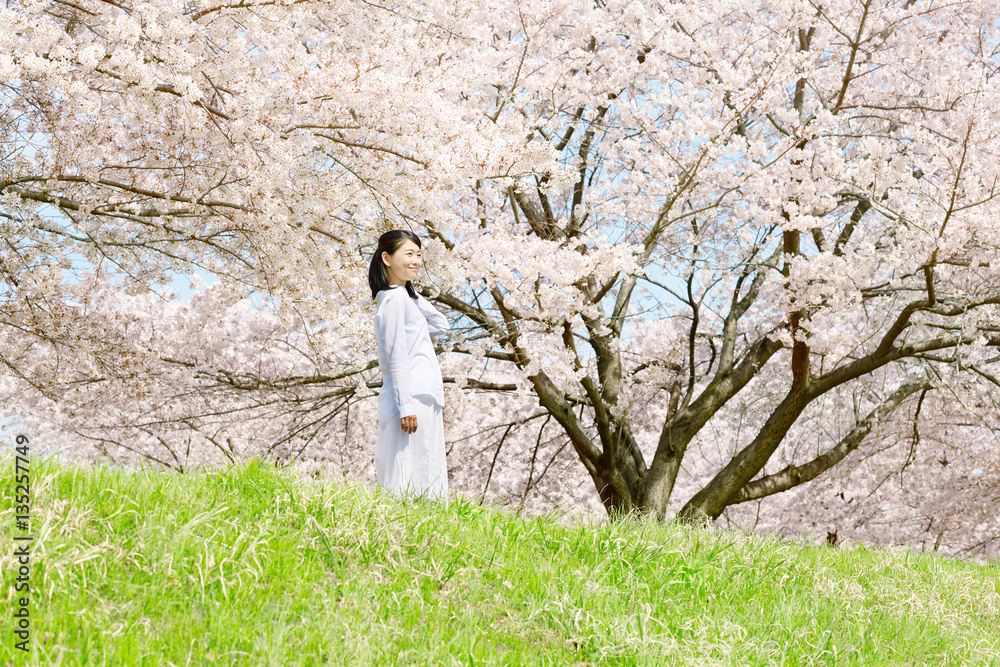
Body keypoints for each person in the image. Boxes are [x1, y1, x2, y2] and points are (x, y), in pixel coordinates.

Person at [367, 230, 451, 501]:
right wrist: (405, 406)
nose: (416, 261)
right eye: (409, 254)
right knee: (406, 475)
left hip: (422, 393)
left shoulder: (402, 298)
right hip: (410, 396)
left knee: (427, 471)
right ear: (387, 258)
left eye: (419, 255)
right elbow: (397, 357)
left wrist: (409, 291)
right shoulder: (392, 301)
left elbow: (441, 324)